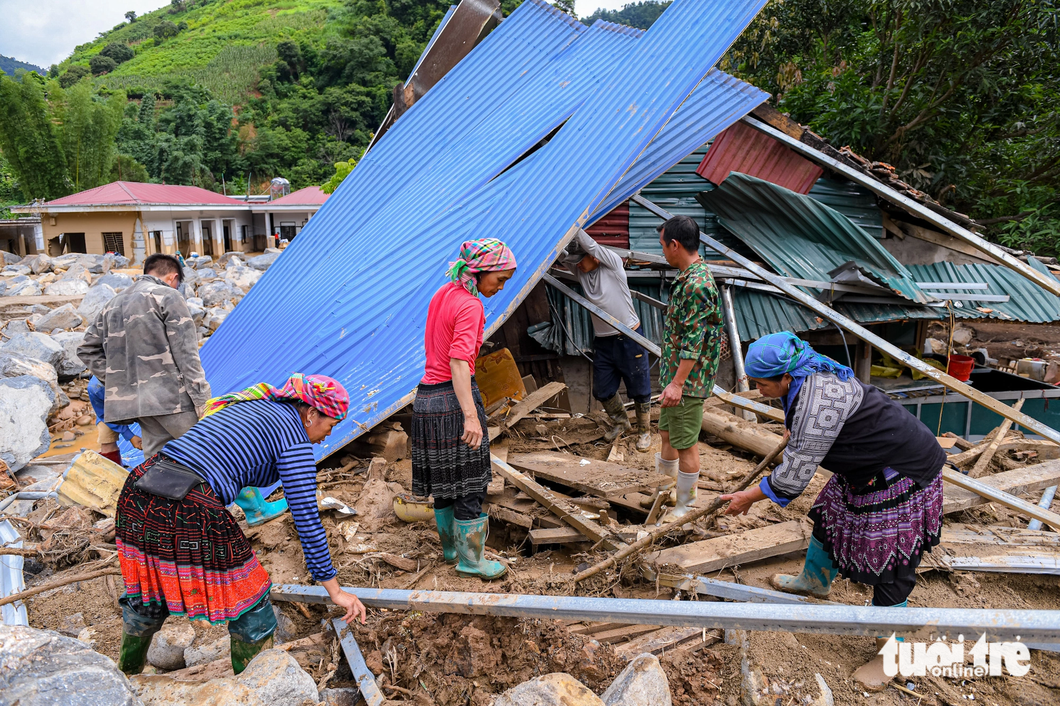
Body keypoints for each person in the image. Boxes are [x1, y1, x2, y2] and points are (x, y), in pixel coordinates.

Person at [720, 332, 945, 690]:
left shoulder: (815, 400)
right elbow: (808, 425)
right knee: (829, 514)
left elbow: (793, 477)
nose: (757, 389)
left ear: (785, 377)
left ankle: (891, 657)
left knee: (892, 563)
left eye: (762, 384)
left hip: (901, 471)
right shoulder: (806, 371)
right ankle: (815, 580)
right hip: (865, 461)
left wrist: (748, 496)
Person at [114, 373, 367, 676]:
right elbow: (306, 517)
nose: (328, 434)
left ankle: (124, 676)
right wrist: (335, 590)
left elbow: (229, 458)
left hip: (140, 488)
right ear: (311, 413)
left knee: (149, 591)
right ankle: (254, 689)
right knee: (252, 609)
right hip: (191, 502)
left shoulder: (255, 405)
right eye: (331, 425)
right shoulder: (295, 438)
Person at [412, 238, 517, 581]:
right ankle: (472, 560)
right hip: (454, 401)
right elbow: (459, 361)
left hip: (428, 399)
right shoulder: (471, 305)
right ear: (479, 271)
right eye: (499, 279)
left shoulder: (443, 293)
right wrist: (470, 415)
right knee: (471, 484)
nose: (500, 288)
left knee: (445, 481)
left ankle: (451, 549)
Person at [79, 253, 209, 459]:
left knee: (157, 465)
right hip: (172, 400)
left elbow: (86, 348)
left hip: (138, 406)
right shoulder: (168, 296)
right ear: (172, 278)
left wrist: (120, 381)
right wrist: (202, 398)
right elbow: (186, 353)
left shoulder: (113, 303)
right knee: (208, 456)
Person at [656, 215, 723, 519]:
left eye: (663, 246)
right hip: (676, 378)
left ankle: (686, 508)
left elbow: (693, 342)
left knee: (686, 445)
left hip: (687, 382)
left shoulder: (696, 284)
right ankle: (664, 493)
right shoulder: (687, 277)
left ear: (675, 244)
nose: (663, 252)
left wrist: (678, 384)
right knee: (668, 436)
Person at [561, 230, 652, 451]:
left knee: (639, 387)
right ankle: (621, 424)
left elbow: (590, 244)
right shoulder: (581, 271)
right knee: (603, 389)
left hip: (629, 336)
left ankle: (644, 432)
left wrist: (574, 221)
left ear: (594, 256)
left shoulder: (612, 264)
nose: (577, 266)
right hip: (603, 341)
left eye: (581, 260)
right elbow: (561, 255)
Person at [87, 375, 141, 466]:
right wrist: (130, 435)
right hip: (111, 408)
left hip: (144, 398)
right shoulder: (96, 388)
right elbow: (104, 414)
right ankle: (115, 474)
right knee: (107, 442)